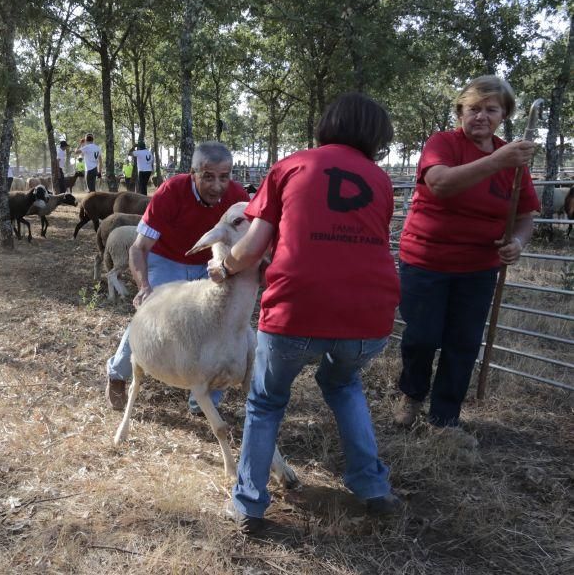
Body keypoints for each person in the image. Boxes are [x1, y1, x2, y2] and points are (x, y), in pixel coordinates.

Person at [215, 93, 401, 535]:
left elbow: (253, 246)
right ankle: (373, 489)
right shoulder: (380, 179)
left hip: (297, 310)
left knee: (265, 400)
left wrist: (223, 266)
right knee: (344, 384)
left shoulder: (291, 166)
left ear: (326, 125)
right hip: (368, 315)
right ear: (376, 136)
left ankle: (248, 505)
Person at [394, 75, 538, 432]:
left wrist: (517, 243)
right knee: (422, 337)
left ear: (504, 115)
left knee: (463, 342)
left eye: (491, 109)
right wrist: (497, 161)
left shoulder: (513, 161)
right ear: (460, 111)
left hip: (479, 267)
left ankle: (445, 419)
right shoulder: (443, 143)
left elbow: (525, 216)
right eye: (473, 108)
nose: (481, 116)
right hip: (426, 260)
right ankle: (412, 394)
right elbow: (440, 183)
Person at [105, 141, 250, 412]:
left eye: (224, 177)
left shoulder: (239, 198)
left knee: (220, 323)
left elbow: (254, 240)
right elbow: (139, 248)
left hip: (211, 263)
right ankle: (117, 374)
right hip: (167, 258)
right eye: (208, 176)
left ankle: (204, 397)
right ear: (193, 172)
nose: (217, 186)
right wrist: (144, 287)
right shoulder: (170, 192)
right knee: (150, 314)